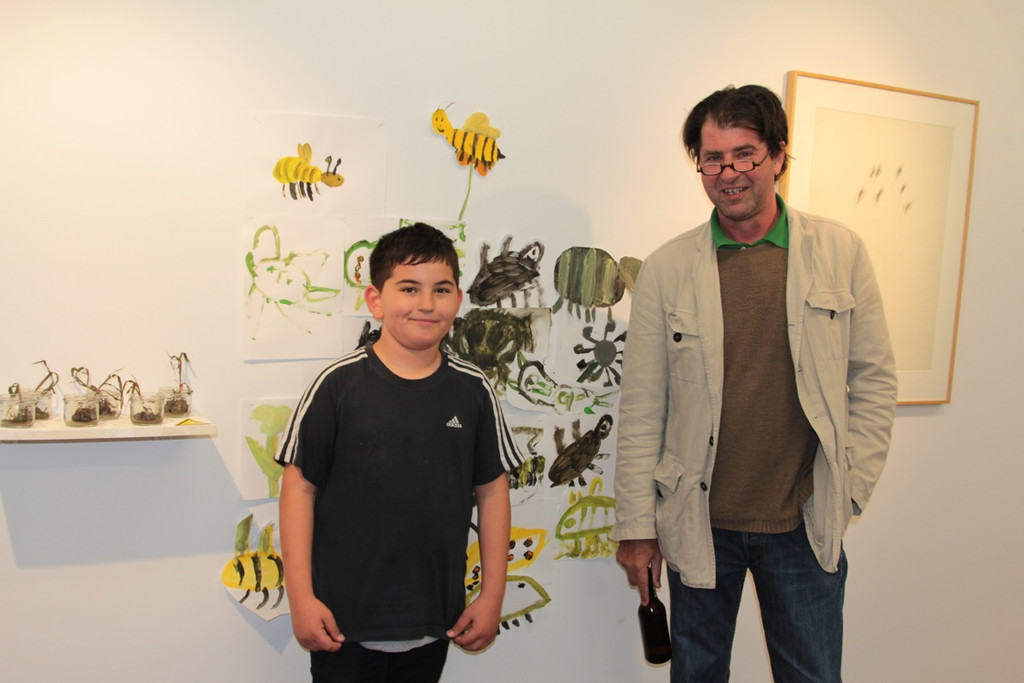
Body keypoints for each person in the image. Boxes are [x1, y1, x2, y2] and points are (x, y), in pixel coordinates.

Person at [611, 84, 898, 682]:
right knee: (697, 674)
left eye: (745, 154)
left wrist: (849, 490)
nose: (729, 173)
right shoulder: (668, 268)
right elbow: (642, 408)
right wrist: (637, 527)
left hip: (803, 522)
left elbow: (874, 380)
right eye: (713, 159)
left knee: (812, 674)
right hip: (698, 522)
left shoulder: (839, 252)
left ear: (779, 155)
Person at [276, 222, 522, 683]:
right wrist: (301, 598)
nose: (427, 304)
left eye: (441, 290)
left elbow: (492, 492)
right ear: (376, 300)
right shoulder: (336, 386)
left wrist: (492, 596)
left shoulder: (473, 389)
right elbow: (298, 489)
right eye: (409, 288)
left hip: (434, 621)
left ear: (458, 300)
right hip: (341, 625)